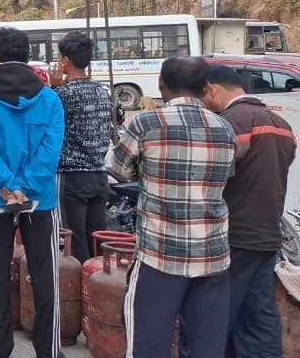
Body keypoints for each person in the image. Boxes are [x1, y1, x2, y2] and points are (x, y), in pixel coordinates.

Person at [109, 56, 238, 357]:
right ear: (205, 87)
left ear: (161, 85)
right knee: (207, 348)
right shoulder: (225, 128)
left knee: (148, 346)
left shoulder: (146, 123)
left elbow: (119, 170)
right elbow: (225, 176)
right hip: (213, 257)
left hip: (159, 256)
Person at [0, 27, 64, 358]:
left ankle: (1, 347)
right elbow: (51, 152)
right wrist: (27, 187)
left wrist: (9, 186)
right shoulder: (50, 99)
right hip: (42, 200)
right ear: (27, 54)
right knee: (45, 274)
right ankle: (48, 350)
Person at [202, 64, 295, 357]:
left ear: (211, 89)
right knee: (259, 313)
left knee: (219, 312)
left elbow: (214, 172)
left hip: (236, 233)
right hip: (267, 233)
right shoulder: (282, 124)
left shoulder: (232, 122)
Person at [47, 32, 113, 263]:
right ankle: (98, 279)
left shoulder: (62, 94)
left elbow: (48, 122)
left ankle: (78, 283)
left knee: (74, 242)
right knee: (97, 238)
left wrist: (54, 87)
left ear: (65, 61)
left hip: (72, 177)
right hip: (99, 175)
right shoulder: (102, 91)